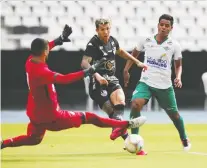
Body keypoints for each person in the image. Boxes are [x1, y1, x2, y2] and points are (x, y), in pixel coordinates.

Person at [1, 25, 147, 150]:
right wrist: (88, 72)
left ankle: (3, 143)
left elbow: (45, 47)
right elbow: (64, 79)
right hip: (52, 116)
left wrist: (58, 40)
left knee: (34, 139)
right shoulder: (42, 72)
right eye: (48, 48)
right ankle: (126, 123)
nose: (49, 48)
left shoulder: (30, 61)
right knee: (90, 117)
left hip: (35, 112)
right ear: (45, 52)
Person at [123, 14, 191, 154]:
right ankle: (134, 138)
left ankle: (184, 138)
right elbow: (133, 55)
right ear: (158, 25)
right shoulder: (146, 40)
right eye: (161, 24)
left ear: (171, 28)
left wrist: (178, 77)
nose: (163, 27)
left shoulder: (174, 45)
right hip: (146, 82)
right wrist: (126, 69)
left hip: (164, 86)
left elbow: (178, 65)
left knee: (174, 115)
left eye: (167, 26)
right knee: (135, 103)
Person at [81, 18, 148, 141]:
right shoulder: (93, 44)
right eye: (102, 29)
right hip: (96, 82)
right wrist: (97, 76)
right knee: (113, 112)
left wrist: (137, 62)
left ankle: (125, 138)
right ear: (97, 30)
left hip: (111, 79)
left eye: (107, 29)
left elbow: (121, 51)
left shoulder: (112, 41)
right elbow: (84, 63)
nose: (105, 32)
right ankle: (129, 140)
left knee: (120, 103)